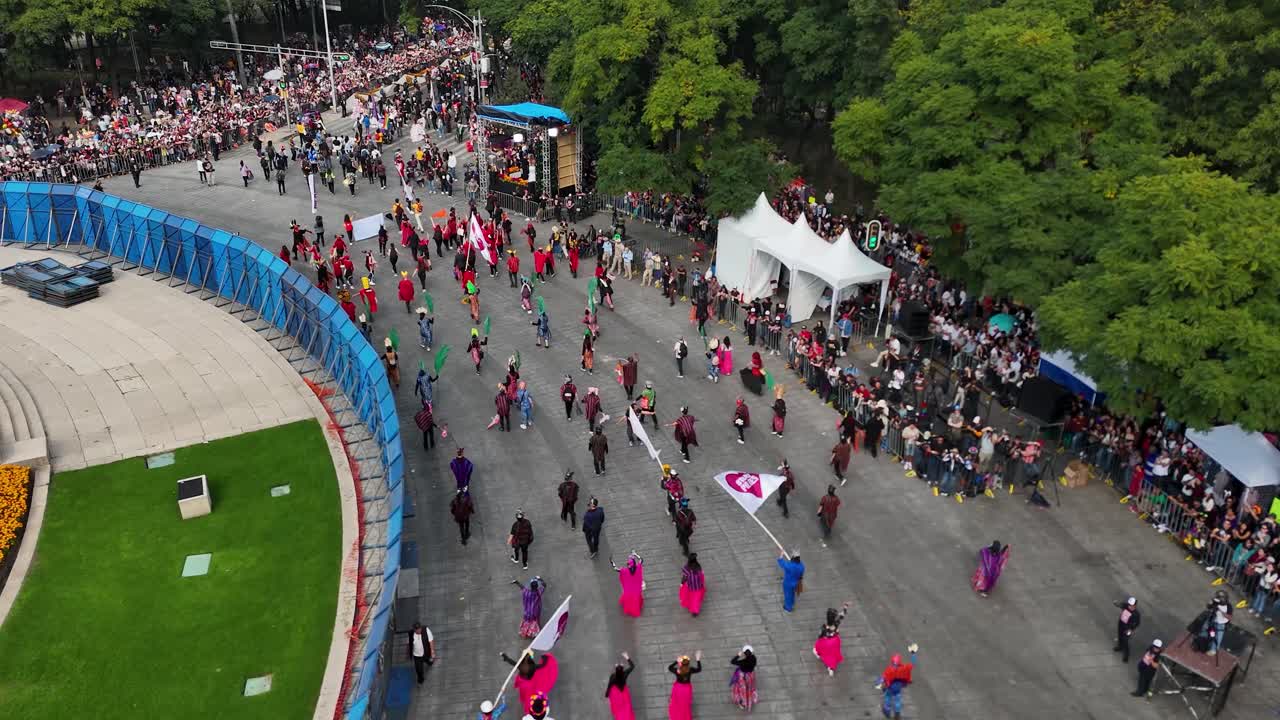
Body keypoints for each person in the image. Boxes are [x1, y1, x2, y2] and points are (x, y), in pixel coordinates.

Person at [877, 645, 918, 720]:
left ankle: (887, 711)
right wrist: (913, 653)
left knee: (888, 698)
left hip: (890, 688)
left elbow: (883, 678)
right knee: (897, 699)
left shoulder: (889, 670)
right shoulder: (905, 668)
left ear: (892, 662)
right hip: (898, 687)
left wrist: (879, 683)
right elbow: (913, 664)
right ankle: (897, 714)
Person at [814, 603, 850, 676]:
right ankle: (831, 669)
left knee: (819, 648)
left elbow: (820, 636)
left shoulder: (824, 627)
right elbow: (842, 615)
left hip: (826, 643)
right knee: (832, 656)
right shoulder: (836, 623)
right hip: (835, 642)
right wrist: (845, 606)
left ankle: (818, 654)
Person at [667, 652, 703, 720]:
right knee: (685, 704)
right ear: (688, 664)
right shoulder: (690, 670)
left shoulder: (677, 670)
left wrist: (676, 661)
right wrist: (698, 659)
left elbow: (669, 667)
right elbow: (699, 669)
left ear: (680, 663)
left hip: (678, 688)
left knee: (676, 702)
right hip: (686, 689)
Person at [605, 653, 636, 720]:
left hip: (617, 693)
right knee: (626, 706)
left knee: (618, 707)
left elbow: (609, 686)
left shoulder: (613, 677)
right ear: (622, 670)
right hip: (623, 691)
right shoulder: (625, 674)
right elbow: (632, 666)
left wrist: (607, 694)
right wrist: (627, 657)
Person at [612, 552, 645, 617]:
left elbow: (615, 568)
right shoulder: (638, 567)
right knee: (636, 597)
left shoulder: (624, 571)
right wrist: (635, 554)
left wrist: (612, 562)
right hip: (636, 590)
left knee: (627, 595)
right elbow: (641, 559)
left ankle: (630, 607)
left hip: (628, 590)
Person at [729, 646, 758, 710]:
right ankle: (751, 698)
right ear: (751, 652)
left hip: (743, 677)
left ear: (744, 654)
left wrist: (738, 655)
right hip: (750, 675)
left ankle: (743, 703)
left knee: (742, 689)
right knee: (750, 687)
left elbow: (732, 661)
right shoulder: (754, 658)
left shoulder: (743, 662)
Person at [1114, 597, 1142, 663]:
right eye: (1129, 605)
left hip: (1128, 628)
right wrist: (1116, 603)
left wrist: (1131, 629)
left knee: (1125, 641)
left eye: (1131, 606)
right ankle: (1120, 647)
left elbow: (1137, 623)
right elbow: (1121, 605)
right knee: (1120, 636)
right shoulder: (1126, 606)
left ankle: (1126, 655)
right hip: (1121, 624)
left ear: (1135, 606)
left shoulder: (1136, 614)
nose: (1130, 606)